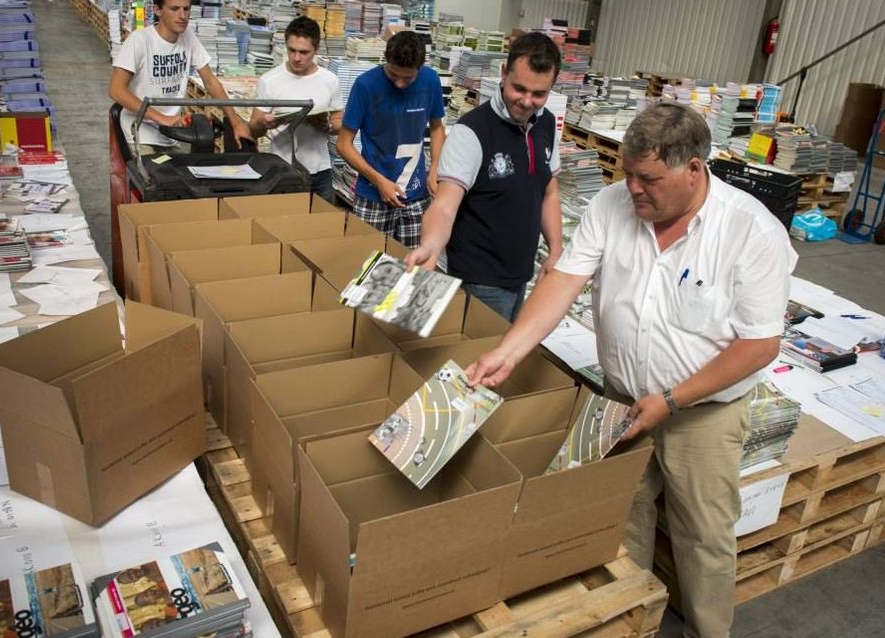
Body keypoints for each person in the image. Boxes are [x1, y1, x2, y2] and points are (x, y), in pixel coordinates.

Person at [465, 102, 796, 638]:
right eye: (628, 175)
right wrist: (509, 350)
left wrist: (671, 400)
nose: (634, 190)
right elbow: (564, 281)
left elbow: (759, 344)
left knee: (703, 534)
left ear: (694, 169)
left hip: (703, 414)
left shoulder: (749, 231)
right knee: (622, 513)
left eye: (649, 179)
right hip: (621, 398)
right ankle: (632, 621)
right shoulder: (610, 204)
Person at [405, 32, 563, 321]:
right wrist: (429, 245)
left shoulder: (547, 124)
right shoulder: (472, 132)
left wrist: (555, 249)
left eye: (539, 94)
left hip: (521, 274)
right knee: (479, 357)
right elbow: (444, 205)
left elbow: (549, 191)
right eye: (519, 88)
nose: (527, 102)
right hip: (481, 280)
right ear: (503, 73)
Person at [337, 30, 446, 248]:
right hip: (372, 196)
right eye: (393, 75)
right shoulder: (366, 85)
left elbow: (436, 128)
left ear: (421, 66)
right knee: (367, 267)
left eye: (408, 78)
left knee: (413, 268)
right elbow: (343, 144)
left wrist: (434, 168)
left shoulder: (431, 80)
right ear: (385, 60)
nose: (399, 84)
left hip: (416, 195)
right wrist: (379, 181)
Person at [109, 0, 253, 155]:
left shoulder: (188, 37)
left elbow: (210, 81)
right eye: (174, 9)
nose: (182, 15)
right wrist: (161, 118)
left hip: (169, 134)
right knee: (156, 177)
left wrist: (236, 122)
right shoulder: (139, 40)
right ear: (158, 10)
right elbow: (116, 90)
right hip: (139, 133)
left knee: (186, 175)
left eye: (186, 9)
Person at [249, 16, 342, 203]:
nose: (296, 58)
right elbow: (254, 128)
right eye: (291, 50)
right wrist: (264, 123)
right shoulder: (269, 80)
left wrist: (328, 126)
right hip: (280, 169)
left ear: (316, 50)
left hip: (320, 169)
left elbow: (340, 122)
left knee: (321, 226)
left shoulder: (330, 80)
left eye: (304, 52)